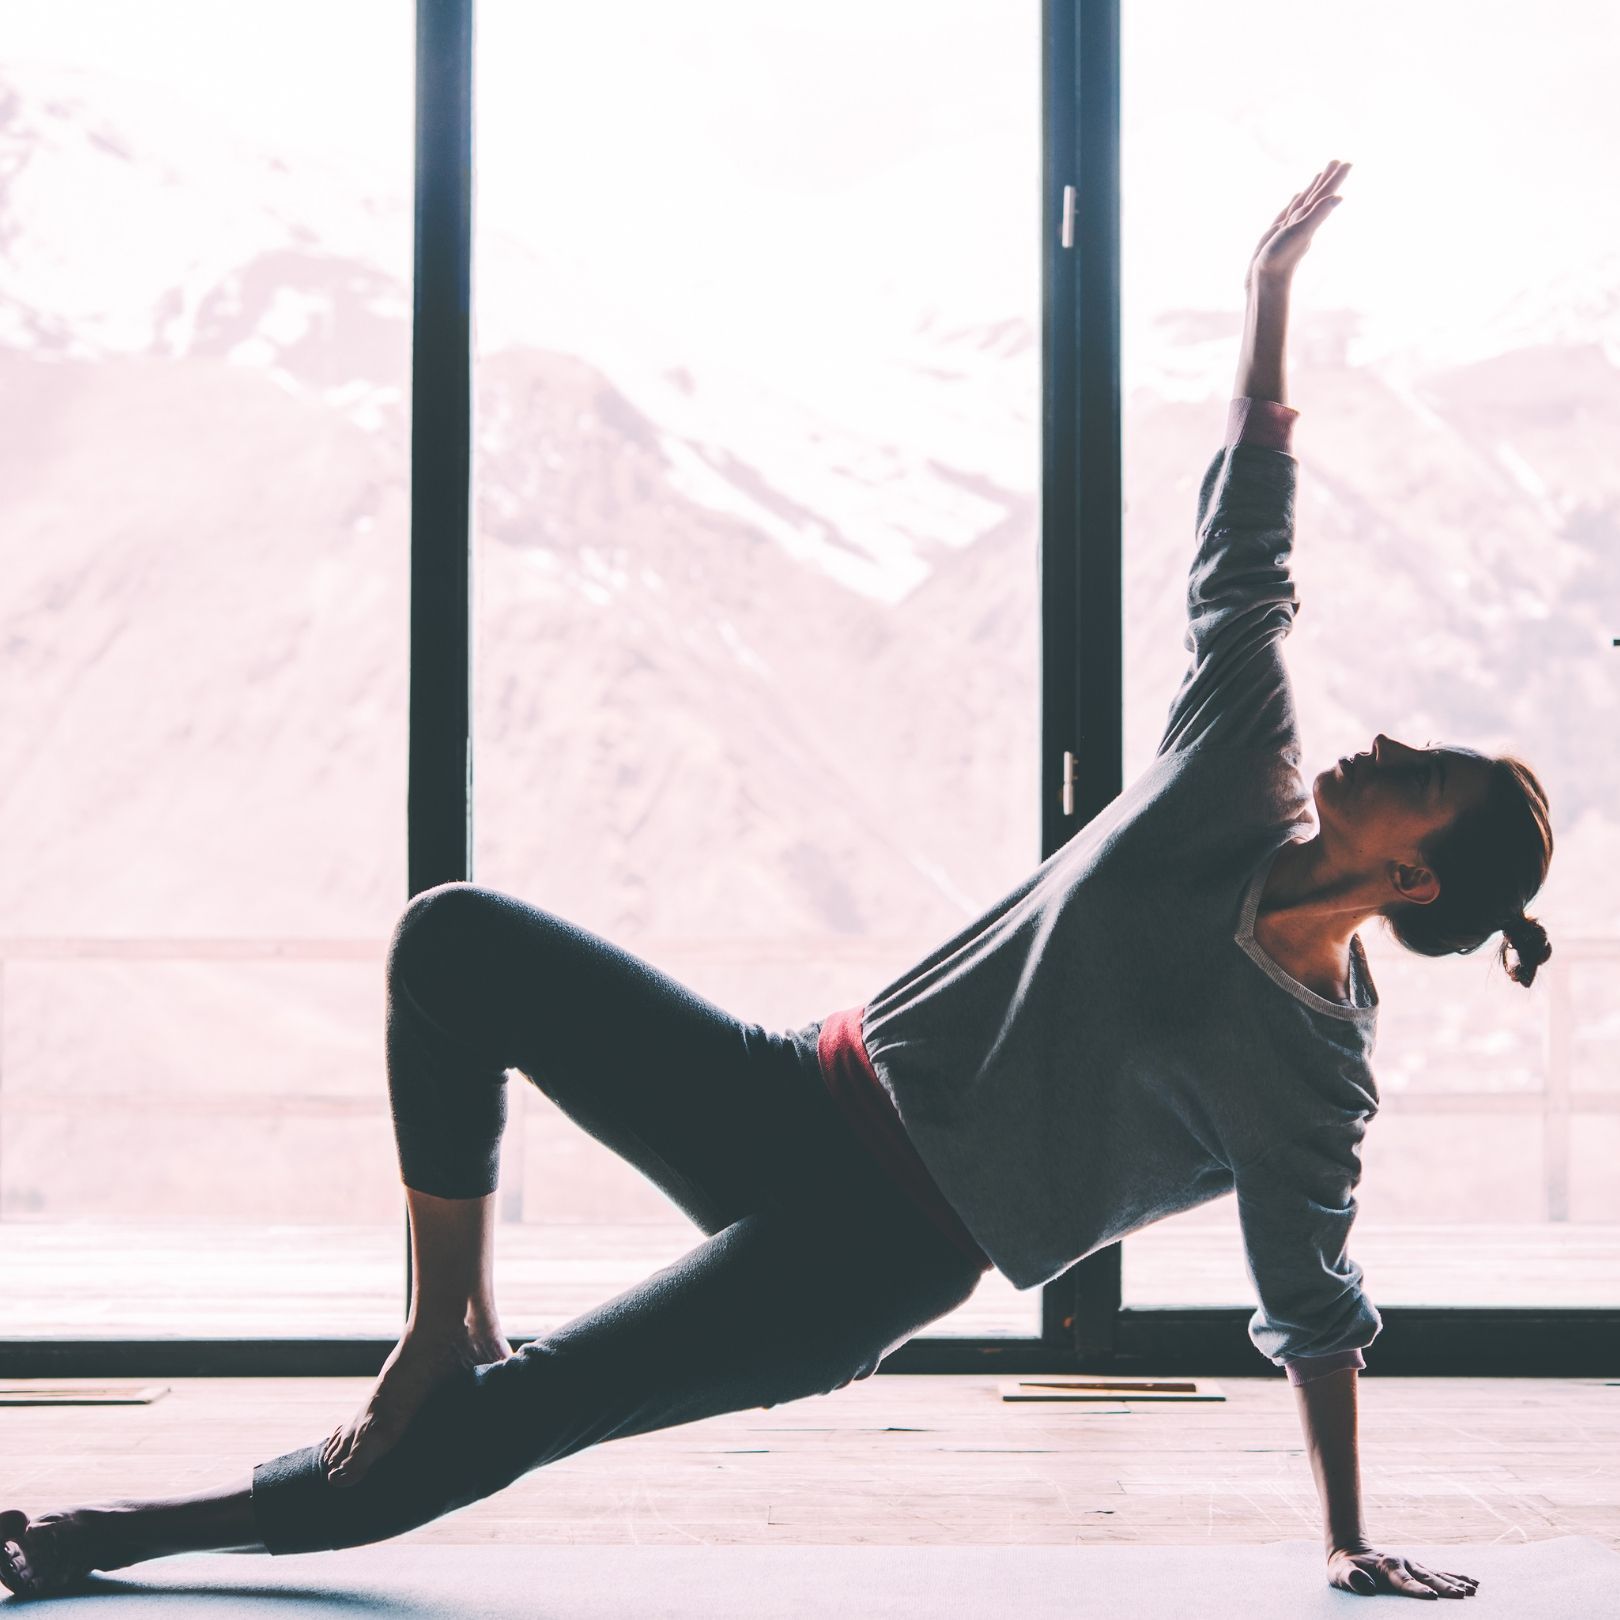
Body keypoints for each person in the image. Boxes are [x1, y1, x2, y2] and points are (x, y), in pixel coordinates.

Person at [1, 160, 1534, 1603]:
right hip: (795, 1088)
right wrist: (1268, 292)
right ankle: (441, 1322)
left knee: (533, 1416)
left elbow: (1311, 1306)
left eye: (1425, 777)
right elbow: (1244, 562)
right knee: (450, 944)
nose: (1390, 742)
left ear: (1410, 879)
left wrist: (1348, 1539)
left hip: (874, 1256)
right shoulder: (1236, 768)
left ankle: (117, 1536)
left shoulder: (1313, 1079)